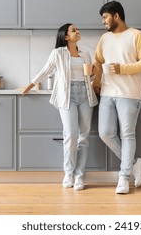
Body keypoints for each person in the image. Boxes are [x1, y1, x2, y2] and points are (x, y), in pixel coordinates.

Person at [22, 23, 98, 191]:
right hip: (67, 96)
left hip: (85, 95)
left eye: (77, 29)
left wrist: (93, 73)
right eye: (73, 30)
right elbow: (46, 70)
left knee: (83, 138)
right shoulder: (58, 53)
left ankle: (79, 175)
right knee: (70, 135)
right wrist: (30, 85)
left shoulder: (85, 54)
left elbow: (89, 77)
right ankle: (68, 173)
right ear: (65, 36)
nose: (77, 31)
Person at [93, 1, 141, 194]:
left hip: (129, 93)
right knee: (105, 133)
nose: (103, 22)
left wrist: (122, 68)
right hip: (107, 93)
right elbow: (97, 61)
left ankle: (124, 177)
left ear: (116, 16)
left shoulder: (136, 35)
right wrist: (96, 82)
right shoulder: (104, 38)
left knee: (128, 135)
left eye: (105, 17)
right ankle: (134, 164)